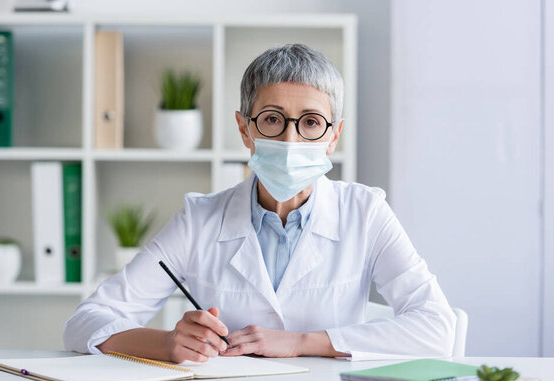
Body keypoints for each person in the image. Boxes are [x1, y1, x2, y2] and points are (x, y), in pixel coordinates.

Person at [63, 44, 456, 363]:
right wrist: (167, 343)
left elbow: (437, 327)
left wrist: (302, 341)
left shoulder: (365, 213)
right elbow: (84, 323)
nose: (291, 141)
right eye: (271, 119)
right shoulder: (200, 219)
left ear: (333, 136)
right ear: (244, 129)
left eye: (311, 122)